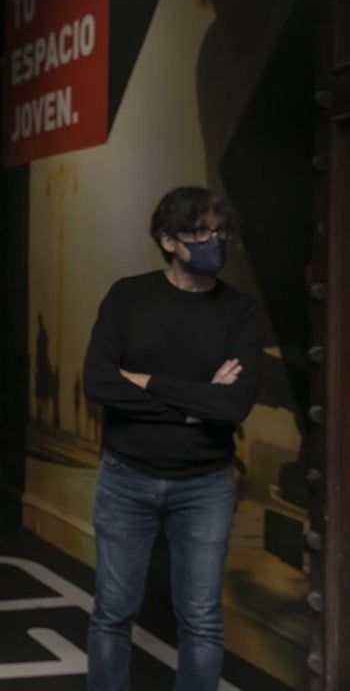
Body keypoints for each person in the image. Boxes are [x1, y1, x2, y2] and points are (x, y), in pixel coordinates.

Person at [82, 186, 267, 691]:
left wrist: (145, 382)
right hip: (126, 479)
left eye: (220, 231)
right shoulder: (127, 296)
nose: (215, 241)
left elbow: (232, 406)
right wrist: (195, 403)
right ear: (168, 240)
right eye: (200, 232)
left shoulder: (243, 313)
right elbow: (98, 384)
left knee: (202, 620)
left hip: (206, 486)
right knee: (113, 614)